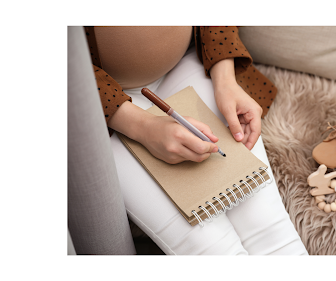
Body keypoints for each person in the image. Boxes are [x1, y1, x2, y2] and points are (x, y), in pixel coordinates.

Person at [85, 26, 308, 255]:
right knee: (211, 248)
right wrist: (143, 127)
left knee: (269, 226)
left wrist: (226, 81)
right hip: (99, 109)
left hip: (191, 64)